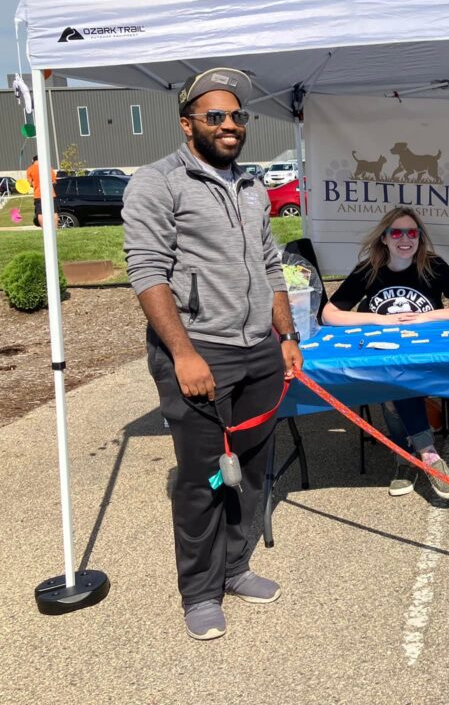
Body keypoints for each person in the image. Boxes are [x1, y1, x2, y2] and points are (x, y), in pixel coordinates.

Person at [122, 67, 303, 641]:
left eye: (237, 116)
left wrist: (287, 336)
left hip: (260, 352)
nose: (230, 125)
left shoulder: (251, 187)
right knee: (202, 479)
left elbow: (272, 267)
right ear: (188, 123)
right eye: (216, 116)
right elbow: (147, 271)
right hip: (201, 353)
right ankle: (199, 593)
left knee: (248, 471)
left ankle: (236, 567)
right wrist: (183, 354)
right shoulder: (158, 182)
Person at [321, 207, 449, 499]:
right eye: (396, 232)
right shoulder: (368, 269)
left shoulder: (433, 266)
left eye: (412, 233)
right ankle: (428, 454)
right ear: (384, 238)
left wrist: (429, 316)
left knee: (395, 384)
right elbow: (329, 314)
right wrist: (378, 319)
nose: (405, 239)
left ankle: (406, 459)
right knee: (392, 378)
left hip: (426, 360)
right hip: (381, 360)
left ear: (420, 238)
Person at [26, 154, 57, 228]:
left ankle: (44, 229)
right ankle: (55, 229)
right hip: (50, 194)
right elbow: (54, 182)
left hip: (38, 195)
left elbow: (30, 184)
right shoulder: (48, 168)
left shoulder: (30, 169)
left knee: (40, 213)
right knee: (54, 212)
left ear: (33, 161)